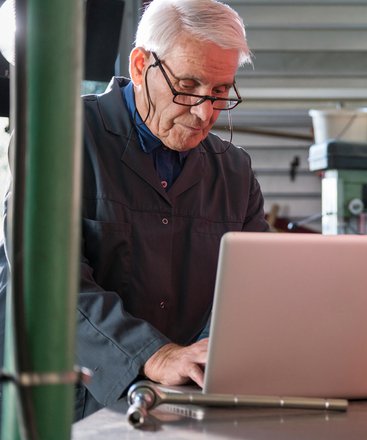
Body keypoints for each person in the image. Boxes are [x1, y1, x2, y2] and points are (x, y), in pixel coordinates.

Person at [0, 0, 269, 420]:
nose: (203, 113)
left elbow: (251, 292)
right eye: (187, 85)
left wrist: (213, 358)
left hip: (184, 405)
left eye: (219, 93)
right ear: (141, 65)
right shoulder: (61, 139)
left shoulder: (234, 172)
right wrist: (154, 354)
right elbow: (46, 279)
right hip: (67, 403)